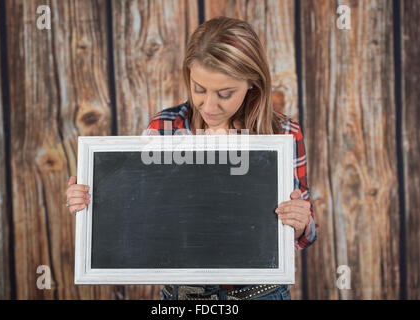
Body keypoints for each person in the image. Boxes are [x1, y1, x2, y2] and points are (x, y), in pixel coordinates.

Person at [66, 16, 317, 300]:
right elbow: (140, 215)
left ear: (252, 83)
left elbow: (307, 233)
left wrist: (301, 223)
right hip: (183, 296)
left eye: (225, 93)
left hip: (260, 294)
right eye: (199, 89)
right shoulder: (164, 128)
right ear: (188, 76)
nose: (209, 106)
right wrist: (92, 203)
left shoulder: (282, 133)